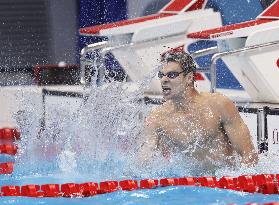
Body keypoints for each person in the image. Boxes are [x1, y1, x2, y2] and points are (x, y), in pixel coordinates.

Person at [138, 50, 258, 173]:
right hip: (189, 187)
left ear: (189, 78)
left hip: (223, 184)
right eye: (161, 75)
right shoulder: (157, 118)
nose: (164, 80)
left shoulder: (218, 105)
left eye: (172, 75)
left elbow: (248, 154)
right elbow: (143, 164)